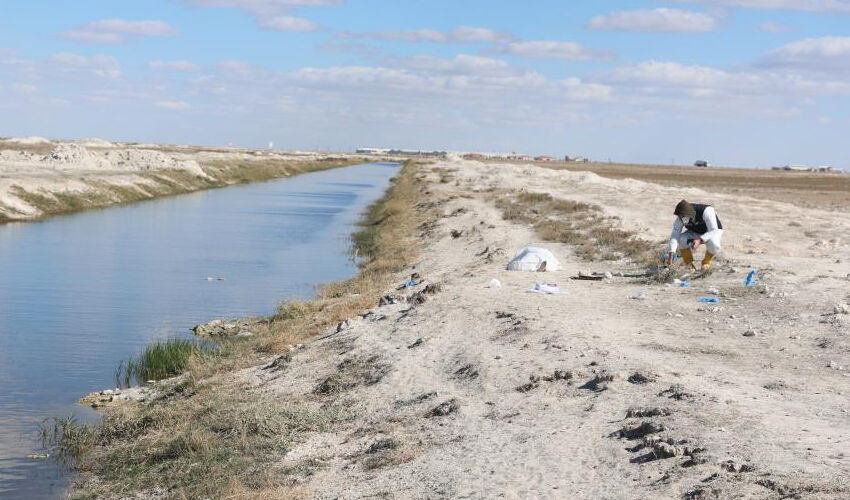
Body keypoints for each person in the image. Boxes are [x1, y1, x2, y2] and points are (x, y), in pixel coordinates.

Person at [666, 200, 723, 270]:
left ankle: (706, 262)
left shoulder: (707, 211)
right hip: (695, 233)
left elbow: (714, 230)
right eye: (679, 216)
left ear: (689, 214)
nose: (680, 218)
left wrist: (700, 240)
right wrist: (671, 255)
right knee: (681, 239)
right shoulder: (680, 218)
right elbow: (674, 235)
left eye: (681, 216)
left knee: (715, 244)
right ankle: (689, 265)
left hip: (711, 232)